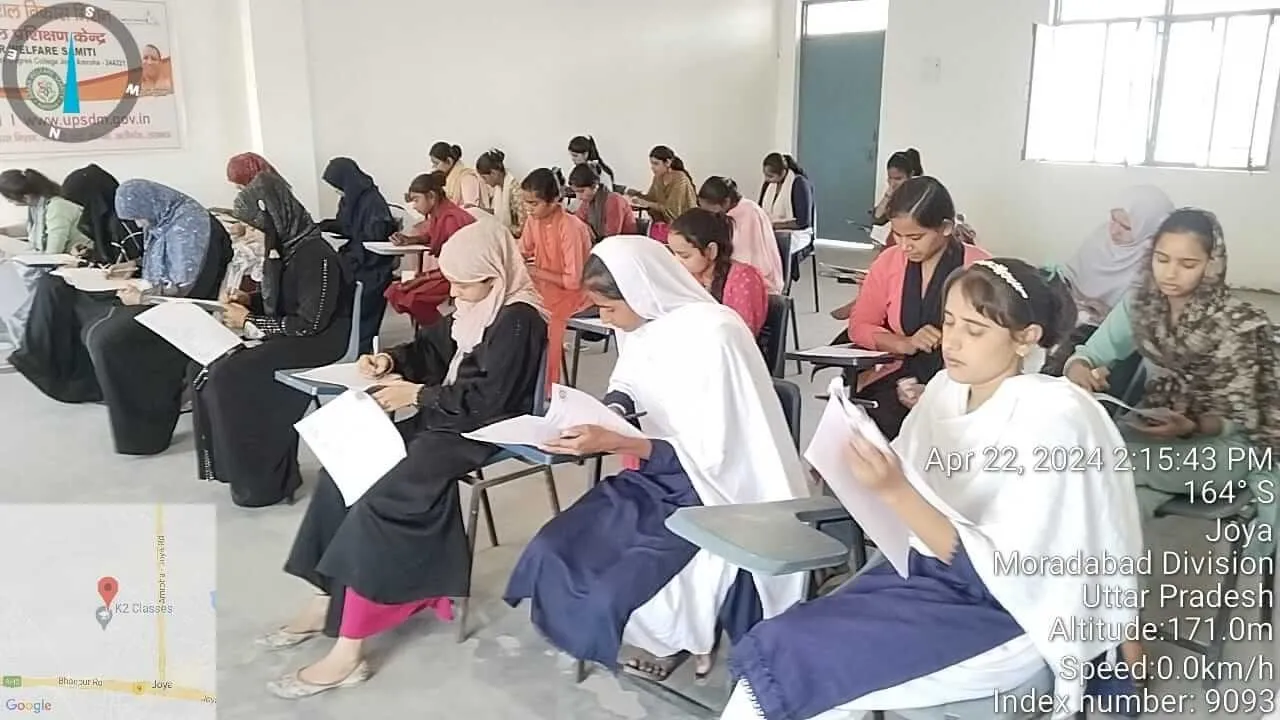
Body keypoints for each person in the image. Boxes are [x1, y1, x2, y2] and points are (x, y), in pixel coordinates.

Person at [721, 259, 1144, 720]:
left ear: (1027, 337)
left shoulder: (1054, 419)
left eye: (975, 330)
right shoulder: (946, 389)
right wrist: (862, 459)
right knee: (786, 656)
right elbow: (909, 483)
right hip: (922, 576)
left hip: (1001, 613)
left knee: (792, 664)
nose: (952, 341)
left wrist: (894, 489)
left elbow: (996, 573)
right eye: (949, 321)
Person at [505, 235, 808, 681]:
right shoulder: (641, 325)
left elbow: (717, 455)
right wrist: (609, 412)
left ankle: (674, 641)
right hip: (660, 474)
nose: (605, 320)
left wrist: (619, 442)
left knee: (616, 584)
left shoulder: (716, 335)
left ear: (641, 291)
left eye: (609, 308)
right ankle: (646, 638)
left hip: (718, 492)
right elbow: (628, 382)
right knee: (552, 548)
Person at [263, 222, 546, 698]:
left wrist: (418, 395)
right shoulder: (477, 305)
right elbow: (431, 348)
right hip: (445, 415)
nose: (454, 293)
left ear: (495, 274)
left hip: (481, 428)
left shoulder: (519, 319)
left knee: (384, 497)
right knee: (344, 471)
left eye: (463, 284)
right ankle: (326, 594)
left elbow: (490, 401)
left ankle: (349, 648)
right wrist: (391, 361)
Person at [1064, 208, 1279, 554]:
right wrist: (1080, 370)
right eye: (1162, 259)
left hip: (1225, 448)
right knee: (1118, 498)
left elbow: (1242, 420)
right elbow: (1089, 354)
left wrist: (1191, 425)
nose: (1170, 273)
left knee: (1103, 466)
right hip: (1155, 434)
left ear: (1212, 264)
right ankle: (1112, 582)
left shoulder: (1238, 324)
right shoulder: (1142, 305)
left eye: (1187, 264)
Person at [193, 171, 353, 508]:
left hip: (321, 341)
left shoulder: (316, 255)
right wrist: (248, 301)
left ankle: (264, 479)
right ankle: (242, 472)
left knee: (231, 375)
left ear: (275, 219)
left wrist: (251, 321)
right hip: (296, 334)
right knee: (214, 370)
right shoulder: (286, 249)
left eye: (256, 227)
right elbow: (286, 301)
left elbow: (311, 323)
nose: (253, 234)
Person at [84, 180, 232, 455]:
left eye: (139, 216)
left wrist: (143, 296)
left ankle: (147, 428)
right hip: (161, 299)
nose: (139, 224)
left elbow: (185, 284)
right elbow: (162, 264)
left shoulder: (190, 224)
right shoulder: (165, 217)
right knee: (93, 322)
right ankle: (124, 406)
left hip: (186, 307)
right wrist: (133, 267)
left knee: (109, 340)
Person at [847, 177, 990, 439]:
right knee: (866, 427)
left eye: (915, 237)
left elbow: (995, 343)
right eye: (897, 235)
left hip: (963, 381)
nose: (904, 246)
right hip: (901, 375)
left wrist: (941, 391)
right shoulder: (889, 262)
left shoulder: (980, 267)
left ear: (946, 227)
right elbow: (860, 326)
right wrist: (904, 343)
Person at [1043, 186, 1174, 375]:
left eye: (1126, 227)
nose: (1114, 230)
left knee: (1064, 360)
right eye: (1113, 219)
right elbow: (1072, 275)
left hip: (1101, 328)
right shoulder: (1101, 236)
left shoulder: (1154, 260)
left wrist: (1103, 313)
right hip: (1074, 307)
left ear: (1149, 227)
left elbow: (1133, 316)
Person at [0, 169, 92, 350]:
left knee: (11, 280)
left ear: (25, 196)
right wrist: (5, 231)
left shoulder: (58, 208)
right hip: (49, 260)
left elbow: (52, 252)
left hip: (72, 262)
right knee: (7, 274)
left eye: (10, 199)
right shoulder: (38, 206)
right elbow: (31, 229)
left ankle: (28, 341)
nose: (10, 203)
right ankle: (23, 336)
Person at [520, 168, 592, 387]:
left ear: (553, 201)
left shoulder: (571, 227)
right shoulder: (533, 220)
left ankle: (544, 388)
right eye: (526, 203)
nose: (528, 209)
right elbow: (522, 250)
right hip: (542, 287)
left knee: (540, 321)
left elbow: (573, 281)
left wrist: (536, 272)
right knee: (511, 311)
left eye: (534, 203)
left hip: (573, 295)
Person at [319, 157, 397, 354]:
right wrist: (324, 226)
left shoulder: (372, 201)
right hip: (357, 256)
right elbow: (347, 226)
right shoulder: (350, 199)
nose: (337, 191)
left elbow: (375, 235)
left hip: (372, 264)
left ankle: (359, 348)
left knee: (357, 300)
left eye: (337, 186)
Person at [384, 172, 477, 327]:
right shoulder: (439, 213)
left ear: (432, 197)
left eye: (416, 200)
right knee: (395, 291)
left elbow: (458, 262)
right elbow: (431, 236)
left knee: (413, 297)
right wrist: (409, 240)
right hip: (448, 271)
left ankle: (439, 332)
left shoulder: (451, 218)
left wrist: (424, 278)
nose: (414, 206)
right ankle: (432, 331)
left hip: (461, 274)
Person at [668, 210, 768, 336]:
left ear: (711, 250)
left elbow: (741, 336)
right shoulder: (690, 275)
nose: (676, 260)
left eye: (685, 256)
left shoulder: (744, 279)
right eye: (673, 253)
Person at [698, 176, 785, 294]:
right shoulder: (731, 211)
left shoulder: (749, 213)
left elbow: (745, 258)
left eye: (710, 209)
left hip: (758, 279)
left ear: (726, 202)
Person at [61, 164, 141, 267]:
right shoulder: (106, 220)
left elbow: (136, 264)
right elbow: (112, 257)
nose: (83, 211)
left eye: (84, 204)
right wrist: (90, 254)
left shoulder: (123, 221)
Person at [628, 146, 696, 242]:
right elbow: (651, 199)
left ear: (667, 163)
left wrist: (646, 203)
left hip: (684, 229)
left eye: (656, 164)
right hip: (664, 226)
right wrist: (635, 195)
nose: (652, 167)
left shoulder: (680, 179)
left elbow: (672, 211)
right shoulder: (658, 178)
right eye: (651, 163)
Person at [569, 164, 636, 242]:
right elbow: (577, 222)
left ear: (594, 186)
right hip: (602, 244)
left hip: (622, 245)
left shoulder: (614, 200)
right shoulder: (588, 201)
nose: (578, 197)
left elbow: (611, 238)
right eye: (576, 192)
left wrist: (586, 230)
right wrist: (586, 228)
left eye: (581, 191)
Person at [759, 153, 815, 232]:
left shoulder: (799, 183)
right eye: (765, 175)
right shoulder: (768, 184)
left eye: (770, 176)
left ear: (783, 172)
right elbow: (759, 209)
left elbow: (803, 222)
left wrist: (774, 225)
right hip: (770, 232)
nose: (767, 179)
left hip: (795, 234)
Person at [476, 149, 524, 238]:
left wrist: (500, 230)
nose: (485, 182)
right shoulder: (497, 188)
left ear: (494, 173)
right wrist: (477, 210)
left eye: (484, 178)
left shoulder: (515, 190)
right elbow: (496, 212)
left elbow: (522, 227)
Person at [871, 148, 924, 226]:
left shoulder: (922, 194)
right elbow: (877, 218)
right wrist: (887, 196)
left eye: (898, 179)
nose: (893, 183)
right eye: (890, 178)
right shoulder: (895, 196)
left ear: (911, 175)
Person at [429, 142, 489, 210]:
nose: (434, 167)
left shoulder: (467, 177)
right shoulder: (447, 181)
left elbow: (471, 208)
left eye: (436, 163)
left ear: (449, 161)